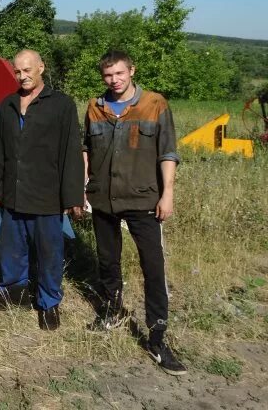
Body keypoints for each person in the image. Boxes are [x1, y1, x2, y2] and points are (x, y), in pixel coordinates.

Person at [83, 50, 187, 375]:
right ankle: (112, 311)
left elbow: (167, 151)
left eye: (119, 74)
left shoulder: (154, 104)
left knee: (153, 267)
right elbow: (86, 148)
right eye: (108, 76)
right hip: (103, 198)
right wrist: (83, 184)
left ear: (131, 71)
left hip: (143, 199)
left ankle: (157, 337)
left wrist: (167, 194)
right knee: (107, 260)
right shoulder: (94, 107)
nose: (114, 81)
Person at [0, 49, 83, 330]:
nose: (22, 76)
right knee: (11, 248)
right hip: (13, 194)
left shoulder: (61, 105)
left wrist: (73, 196)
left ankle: (49, 303)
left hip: (46, 196)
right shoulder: (8, 105)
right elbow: (0, 150)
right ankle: (13, 293)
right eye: (17, 71)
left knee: (49, 252)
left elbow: (71, 153)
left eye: (27, 70)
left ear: (41, 67)